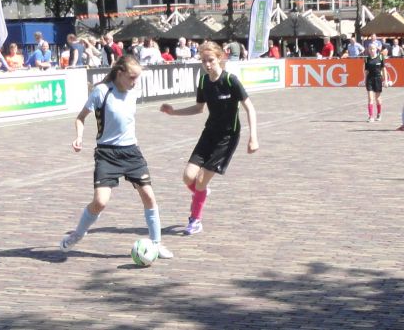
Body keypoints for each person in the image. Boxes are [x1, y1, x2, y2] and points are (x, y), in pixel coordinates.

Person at [59, 56, 173, 259]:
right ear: (119, 74)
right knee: (100, 202)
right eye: (131, 78)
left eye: (137, 78)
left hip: (131, 152)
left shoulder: (133, 92)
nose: (134, 82)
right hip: (107, 154)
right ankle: (77, 234)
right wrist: (79, 137)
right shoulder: (102, 91)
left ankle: (156, 244)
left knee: (149, 196)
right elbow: (80, 118)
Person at [159, 41, 259, 236]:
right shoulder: (204, 81)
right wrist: (174, 112)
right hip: (209, 134)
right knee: (188, 177)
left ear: (220, 58)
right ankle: (201, 192)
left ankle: (195, 220)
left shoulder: (230, 80)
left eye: (211, 60)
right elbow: (199, 108)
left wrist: (253, 137)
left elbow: (250, 107)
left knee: (201, 180)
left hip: (227, 138)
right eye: (203, 61)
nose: (207, 64)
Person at [363, 42, 386, 122]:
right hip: (369, 79)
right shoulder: (366, 59)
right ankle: (371, 116)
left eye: (373, 48)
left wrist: (385, 80)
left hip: (378, 79)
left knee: (378, 99)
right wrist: (364, 80)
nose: (371, 50)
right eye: (370, 49)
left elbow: (383, 69)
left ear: (376, 49)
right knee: (370, 98)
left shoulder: (381, 57)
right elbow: (366, 71)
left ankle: (379, 114)